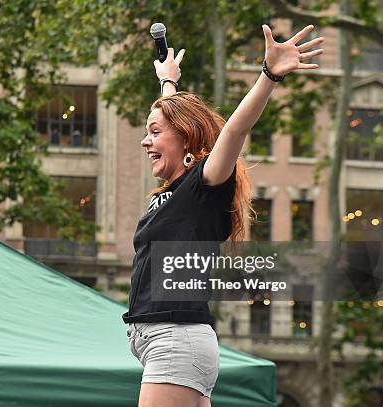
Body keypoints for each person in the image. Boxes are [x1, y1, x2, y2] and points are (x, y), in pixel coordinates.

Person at [123, 24, 324, 407]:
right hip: (170, 342)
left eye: (153, 132)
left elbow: (234, 129)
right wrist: (168, 82)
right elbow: (173, 119)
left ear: (185, 137)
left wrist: (269, 75)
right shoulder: (172, 193)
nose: (145, 141)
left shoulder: (205, 184)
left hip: (174, 339)